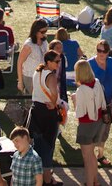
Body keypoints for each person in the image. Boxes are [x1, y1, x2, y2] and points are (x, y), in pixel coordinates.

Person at [29, 50, 64, 185]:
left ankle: (42, 179)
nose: (58, 64)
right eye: (57, 61)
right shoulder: (51, 76)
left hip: (36, 111)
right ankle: (48, 181)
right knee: (48, 148)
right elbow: (55, 95)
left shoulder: (37, 72)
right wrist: (55, 103)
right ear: (48, 62)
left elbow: (33, 90)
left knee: (38, 146)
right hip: (48, 114)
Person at [72, 59, 106, 186]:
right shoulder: (96, 83)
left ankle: (90, 183)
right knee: (92, 155)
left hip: (86, 124)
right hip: (98, 122)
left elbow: (79, 112)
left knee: (87, 157)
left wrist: (74, 100)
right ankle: (95, 181)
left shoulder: (81, 90)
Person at [88, 39, 112, 166]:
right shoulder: (90, 64)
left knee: (105, 129)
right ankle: (90, 155)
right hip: (94, 103)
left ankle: (100, 156)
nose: (101, 53)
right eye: (99, 50)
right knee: (93, 129)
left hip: (109, 102)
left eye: (104, 51)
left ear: (108, 52)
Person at [18, 19, 49, 94]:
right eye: (42, 32)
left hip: (42, 75)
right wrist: (20, 82)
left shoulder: (44, 42)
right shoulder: (29, 45)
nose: (44, 34)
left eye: (46, 31)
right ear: (36, 31)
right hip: (30, 76)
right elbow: (19, 63)